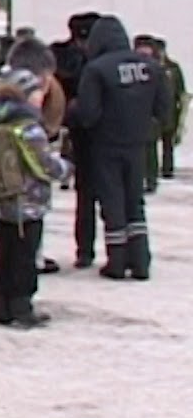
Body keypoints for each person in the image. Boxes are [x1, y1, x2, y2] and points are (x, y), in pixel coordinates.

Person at [68, 15, 170, 280]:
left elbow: (89, 114)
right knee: (135, 202)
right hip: (137, 144)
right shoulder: (151, 67)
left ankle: (117, 261)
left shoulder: (97, 69)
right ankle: (141, 261)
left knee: (112, 201)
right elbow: (164, 111)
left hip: (106, 144)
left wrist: (73, 112)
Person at [0, 67, 73, 327]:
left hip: (3, 200)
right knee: (25, 257)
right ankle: (21, 306)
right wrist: (66, 168)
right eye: (37, 93)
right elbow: (43, 164)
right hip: (27, 202)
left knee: (4, 253)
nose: (41, 98)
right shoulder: (28, 127)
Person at [4, 37, 66, 275]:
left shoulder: (0, 103)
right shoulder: (26, 122)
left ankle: (4, 296)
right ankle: (20, 298)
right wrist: (64, 168)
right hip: (26, 197)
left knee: (9, 246)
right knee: (23, 246)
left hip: (5, 193)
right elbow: (42, 162)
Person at [51, 12, 101, 267]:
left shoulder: (68, 58)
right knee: (90, 196)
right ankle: (87, 250)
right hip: (84, 133)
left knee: (88, 196)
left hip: (84, 132)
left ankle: (87, 250)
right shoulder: (72, 58)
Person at [134, 35, 164, 193]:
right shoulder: (131, 67)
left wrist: (161, 117)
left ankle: (151, 180)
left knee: (150, 152)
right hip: (132, 117)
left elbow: (163, 96)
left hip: (149, 117)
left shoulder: (157, 69)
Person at [154, 37, 186, 178]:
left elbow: (180, 88)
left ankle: (168, 169)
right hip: (155, 110)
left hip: (171, 110)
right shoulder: (150, 66)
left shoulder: (173, 68)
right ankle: (152, 170)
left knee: (168, 143)